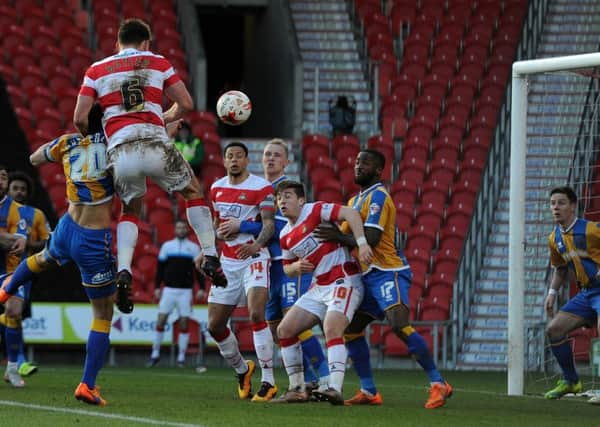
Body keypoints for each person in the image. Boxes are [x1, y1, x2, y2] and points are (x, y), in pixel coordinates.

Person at [73, 18, 226, 316]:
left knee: (130, 210)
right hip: (156, 143)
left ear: (117, 43)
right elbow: (186, 103)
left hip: (121, 149)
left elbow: (80, 118)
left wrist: (99, 137)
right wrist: (166, 116)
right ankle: (209, 255)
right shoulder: (158, 62)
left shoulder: (96, 70)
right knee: (193, 192)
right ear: (146, 43)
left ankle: (124, 270)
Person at [314, 149, 453, 408]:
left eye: (365, 163)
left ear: (379, 170)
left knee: (398, 323)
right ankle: (369, 391)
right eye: (356, 161)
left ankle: (438, 383)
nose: (358, 166)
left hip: (388, 271)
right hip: (367, 277)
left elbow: (372, 239)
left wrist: (337, 236)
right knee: (352, 330)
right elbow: (343, 238)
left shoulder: (378, 197)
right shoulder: (355, 200)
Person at [0, 104, 118, 404]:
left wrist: (67, 143)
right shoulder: (117, 146)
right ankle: (87, 384)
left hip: (67, 226)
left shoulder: (68, 141)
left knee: (41, 260)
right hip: (93, 237)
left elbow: (34, 158)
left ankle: (6, 289)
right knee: (103, 314)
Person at [219, 138, 330, 394]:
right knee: (276, 328)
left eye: (277, 155)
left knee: (297, 325)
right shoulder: (258, 188)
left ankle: (324, 379)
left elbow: (278, 226)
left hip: (288, 263)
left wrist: (242, 226)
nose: (270, 158)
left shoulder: (286, 190)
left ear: (286, 162)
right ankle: (304, 381)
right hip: (265, 267)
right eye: (267, 154)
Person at [273, 180, 372, 405]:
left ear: (301, 200)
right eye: (279, 198)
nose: (282, 201)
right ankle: (297, 388)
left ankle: (334, 388)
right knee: (285, 329)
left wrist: (362, 243)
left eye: (287, 196)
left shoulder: (315, 210)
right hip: (319, 285)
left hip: (343, 279)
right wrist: (296, 268)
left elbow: (351, 213)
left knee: (331, 326)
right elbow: (287, 268)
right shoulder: (285, 234)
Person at [207, 141, 276, 402]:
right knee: (214, 326)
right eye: (229, 156)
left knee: (256, 313)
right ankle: (242, 369)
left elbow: (269, 225)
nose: (234, 160)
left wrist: (253, 239)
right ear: (224, 161)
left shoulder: (261, 187)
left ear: (247, 160)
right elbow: (216, 224)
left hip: (255, 256)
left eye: (239, 156)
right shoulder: (216, 188)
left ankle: (268, 381)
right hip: (228, 261)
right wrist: (210, 249)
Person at [543, 186, 600, 402]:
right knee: (554, 329)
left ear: (573, 206)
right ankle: (571, 381)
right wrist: (551, 293)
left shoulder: (591, 230)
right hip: (587, 294)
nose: (556, 207)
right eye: (553, 204)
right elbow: (560, 269)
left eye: (561, 203)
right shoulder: (554, 238)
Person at [6, 171, 51, 377]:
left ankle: (19, 362)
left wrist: (30, 244)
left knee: (15, 314)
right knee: (10, 316)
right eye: (15, 188)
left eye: (23, 189)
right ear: (8, 189)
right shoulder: (5, 210)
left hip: (22, 272)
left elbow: (48, 240)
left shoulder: (37, 215)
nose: (19, 192)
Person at [147, 220, 203, 368]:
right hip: (168, 290)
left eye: (183, 227)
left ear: (187, 230)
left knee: (184, 323)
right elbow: (160, 269)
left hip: (185, 291)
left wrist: (202, 288)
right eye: (178, 227)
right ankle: (155, 354)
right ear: (175, 229)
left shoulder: (194, 248)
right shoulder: (167, 246)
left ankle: (181, 357)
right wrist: (157, 287)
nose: (181, 230)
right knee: (161, 320)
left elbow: (198, 271)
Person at [0, 165, 28, 387]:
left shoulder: (18, 210)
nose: (0, 181)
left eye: (3, 178)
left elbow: (17, 242)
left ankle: (12, 368)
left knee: (14, 310)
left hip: (10, 271)